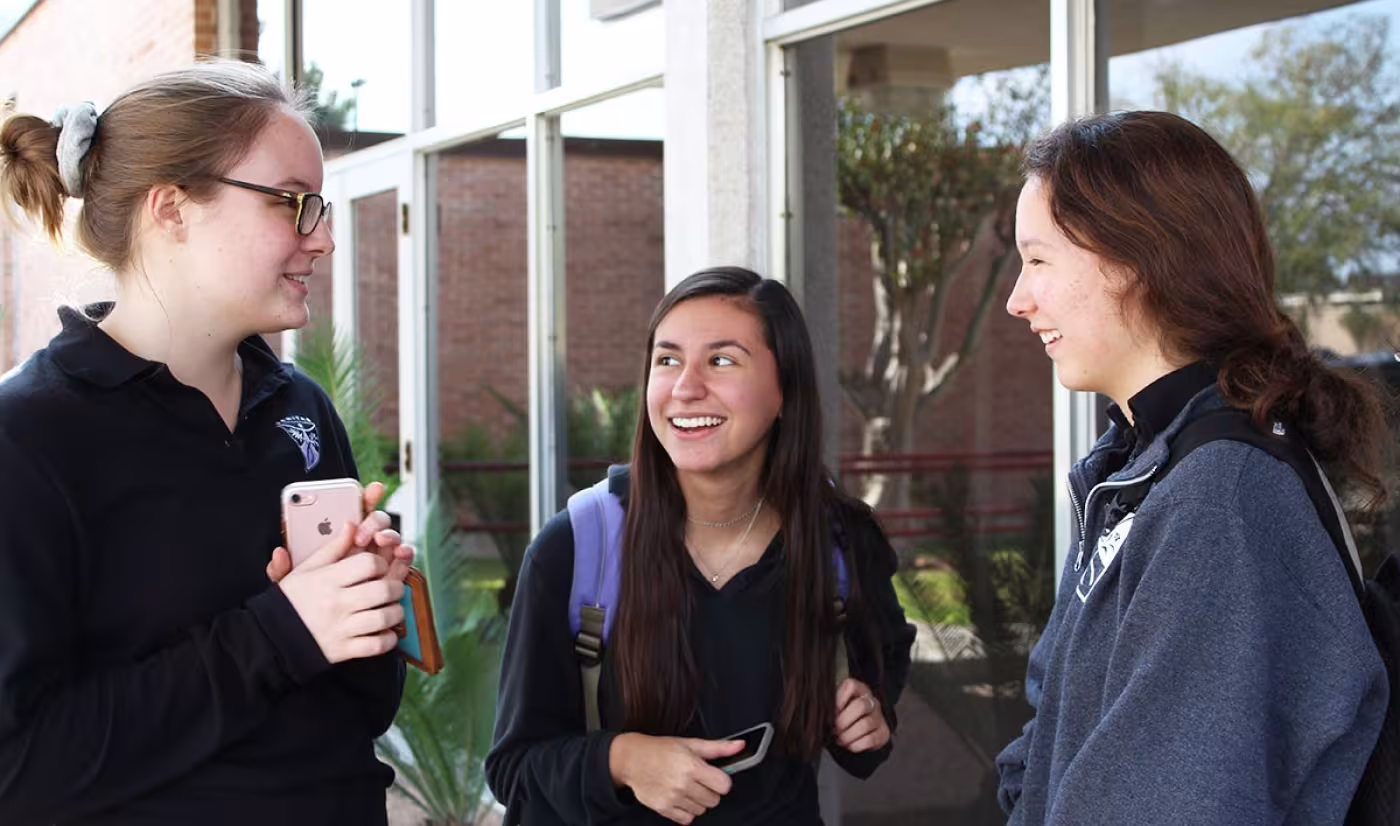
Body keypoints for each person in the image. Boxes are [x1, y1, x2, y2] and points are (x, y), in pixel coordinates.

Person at [0, 60, 414, 824]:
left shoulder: (301, 408)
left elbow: (367, 708)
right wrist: (280, 633)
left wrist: (367, 606)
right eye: (294, 203)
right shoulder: (27, 436)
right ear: (172, 209)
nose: (323, 238)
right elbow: (19, 769)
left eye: (320, 207)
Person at [995, 110, 1390, 824]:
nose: (1017, 301)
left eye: (1039, 260)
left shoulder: (1218, 500)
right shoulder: (1137, 470)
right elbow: (1048, 731)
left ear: (1135, 259)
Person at [486, 266, 916, 824]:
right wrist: (623, 760)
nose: (685, 388)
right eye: (667, 360)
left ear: (785, 390)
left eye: (722, 361)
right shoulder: (575, 548)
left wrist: (868, 719)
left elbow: (873, 707)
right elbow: (514, 768)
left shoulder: (840, 543)